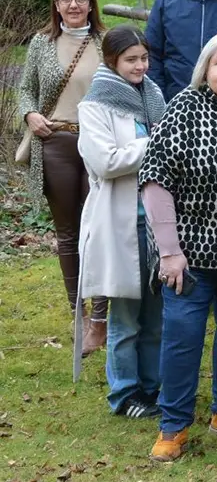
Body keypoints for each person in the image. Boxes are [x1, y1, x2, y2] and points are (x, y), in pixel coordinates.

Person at [139, 31, 217, 462]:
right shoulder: (185, 109)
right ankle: (173, 425)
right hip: (189, 253)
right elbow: (155, 180)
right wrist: (170, 250)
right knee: (183, 336)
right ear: (205, 70)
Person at [75, 25, 167, 411]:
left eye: (144, 58)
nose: (140, 66)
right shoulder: (95, 105)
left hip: (157, 222)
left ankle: (152, 387)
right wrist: (157, 142)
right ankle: (124, 392)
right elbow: (106, 161)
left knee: (156, 317)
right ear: (112, 61)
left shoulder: (154, 97)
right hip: (121, 220)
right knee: (126, 317)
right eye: (131, 59)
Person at [17, 0, 107, 356]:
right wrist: (30, 114)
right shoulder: (42, 43)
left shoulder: (107, 42)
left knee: (99, 229)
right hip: (56, 143)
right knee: (68, 233)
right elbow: (23, 88)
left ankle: (102, 316)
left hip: (100, 145)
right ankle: (79, 314)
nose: (73, 5)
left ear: (91, 3)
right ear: (56, 5)